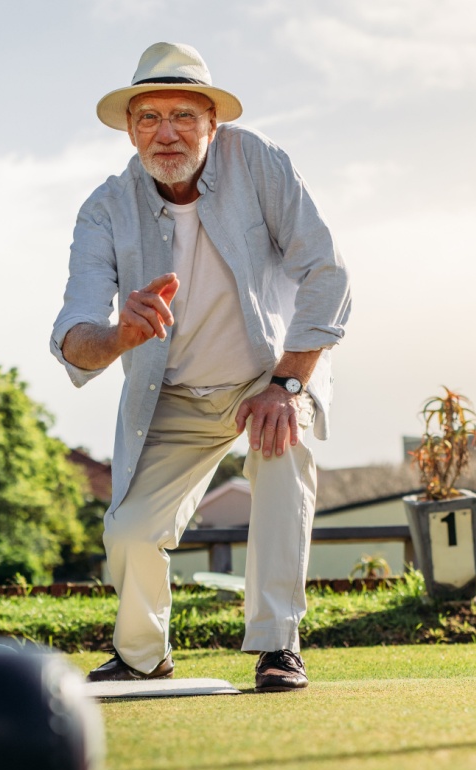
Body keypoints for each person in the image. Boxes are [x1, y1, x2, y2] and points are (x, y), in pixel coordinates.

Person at [51, 42, 352, 691]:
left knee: (283, 450)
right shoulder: (104, 208)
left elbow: (327, 273)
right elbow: (74, 337)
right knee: (129, 530)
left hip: (265, 376)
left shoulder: (260, 162)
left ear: (213, 123)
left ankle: (278, 645)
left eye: (184, 115)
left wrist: (288, 383)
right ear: (130, 129)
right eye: (150, 117)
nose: (167, 133)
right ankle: (141, 655)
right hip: (174, 394)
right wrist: (120, 335)